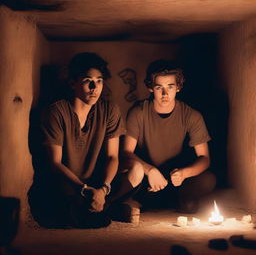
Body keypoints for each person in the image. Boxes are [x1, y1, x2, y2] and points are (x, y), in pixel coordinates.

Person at [34, 52, 125, 228]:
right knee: (61, 215)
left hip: (96, 184)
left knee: (132, 175)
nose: (94, 87)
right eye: (87, 80)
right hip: (66, 185)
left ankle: (100, 203)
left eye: (99, 81)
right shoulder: (56, 112)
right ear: (72, 83)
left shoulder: (110, 110)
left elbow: (113, 157)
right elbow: (54, 163)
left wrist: (103, 190)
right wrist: (83, 189)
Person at [118, 59, 216, 220]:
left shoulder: (192, 115)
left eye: (170, 87)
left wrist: (184, 173)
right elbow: (126, 152)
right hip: (147, 178)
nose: (165, 94)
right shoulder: (138, 112)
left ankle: (174, 200)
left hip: (177, 178)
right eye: (159, 88)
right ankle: (142, 200)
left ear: (178, 87)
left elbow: (204, 158)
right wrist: (150, 170)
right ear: (150, 88)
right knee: (127, 176)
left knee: (208, 180)